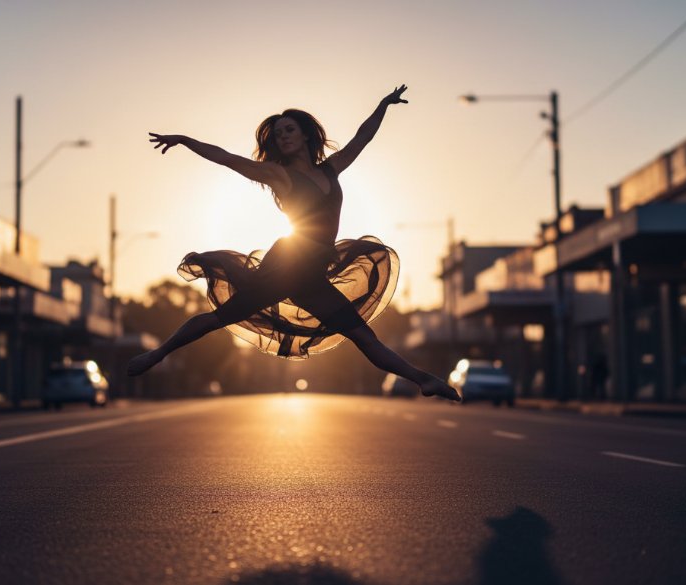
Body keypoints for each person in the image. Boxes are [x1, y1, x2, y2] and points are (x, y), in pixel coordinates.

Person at [127, 85, 459, 401]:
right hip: (285, 266)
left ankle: (423, 380)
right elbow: (227, 158)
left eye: (289, 130)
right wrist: (185, 140)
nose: (283, 137)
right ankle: (158, 354)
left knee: (362, 335)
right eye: (278, 134)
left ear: (305, 135)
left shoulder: (331, 169)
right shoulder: (278, 175)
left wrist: (383, 105)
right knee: (221, 317)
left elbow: (363, 137)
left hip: (311, 274)